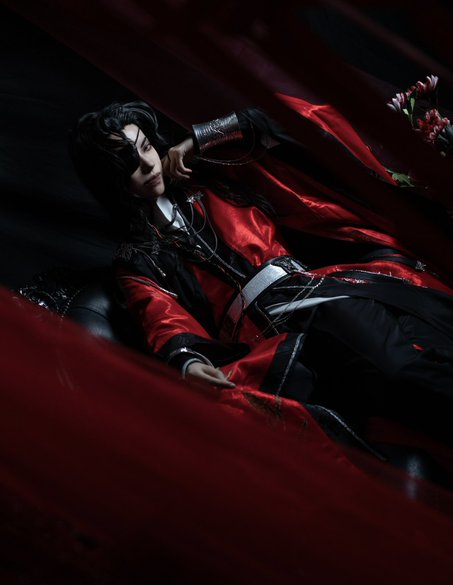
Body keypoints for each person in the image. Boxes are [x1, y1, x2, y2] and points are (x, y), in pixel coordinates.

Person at [69, 98, 453, 468]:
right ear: (110, 180)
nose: (146, 163)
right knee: (376, 399)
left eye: (145, 148)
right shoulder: (137, 260)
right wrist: (187, 361)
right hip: (274, 347)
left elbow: (281, 122)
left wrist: (198, 140)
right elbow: (159, 315)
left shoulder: (215, 176)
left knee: (399, 368)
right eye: (128, 163)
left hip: (313, 299)